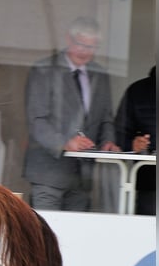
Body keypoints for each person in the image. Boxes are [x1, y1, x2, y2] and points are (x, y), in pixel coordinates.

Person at [23, 16, 120, 211]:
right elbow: (37, 121)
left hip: (83, 176)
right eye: (80, 44)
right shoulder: (44, 70)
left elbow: (106, 118)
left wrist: (108, 142)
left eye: (91, 47)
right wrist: (65, 143)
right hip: (48, 173)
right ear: (68, 39)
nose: (84, 52)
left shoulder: (100, 75)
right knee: (46, 234)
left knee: (77, 237)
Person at [115, 65, 156, 215]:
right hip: (151, 183)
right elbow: (119, 133)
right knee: (151, 235)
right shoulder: (138, 91)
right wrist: (132, 144)